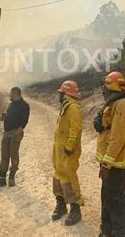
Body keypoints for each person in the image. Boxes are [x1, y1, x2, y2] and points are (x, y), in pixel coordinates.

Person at [95, 72, 125, 237]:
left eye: (104, 86)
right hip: (110, 162)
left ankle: (118, 232)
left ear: (111, 86)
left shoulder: (123, 105)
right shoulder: (114, 103)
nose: (103, 90)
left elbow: (117, 138)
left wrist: (106, 164)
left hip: (115, 164)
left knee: (116, 201)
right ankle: (106, 231)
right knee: (106, 198)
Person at [51, 80, 84, 226]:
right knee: (58, 175)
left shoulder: (74, 108)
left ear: (65, 94)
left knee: (69, 178)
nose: (58, 95)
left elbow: (75, 129)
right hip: (60, 150)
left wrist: (69, 146)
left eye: (60, 92)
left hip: (68, 151)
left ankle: (75, 209)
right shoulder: (66, 107)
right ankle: (61, 204)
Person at [0, 87, 30, 187]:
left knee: (13, 155)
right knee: (4, 155)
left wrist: (17, 133)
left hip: (15, 132)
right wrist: (5, 116)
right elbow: (10, 116)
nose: (10, 96)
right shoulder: (11, 104)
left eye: (11, 94)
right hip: (7, 132)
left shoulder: (24, 106)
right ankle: (1, 178)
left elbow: (24, 121)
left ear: (16, 94)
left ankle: (12, 176)